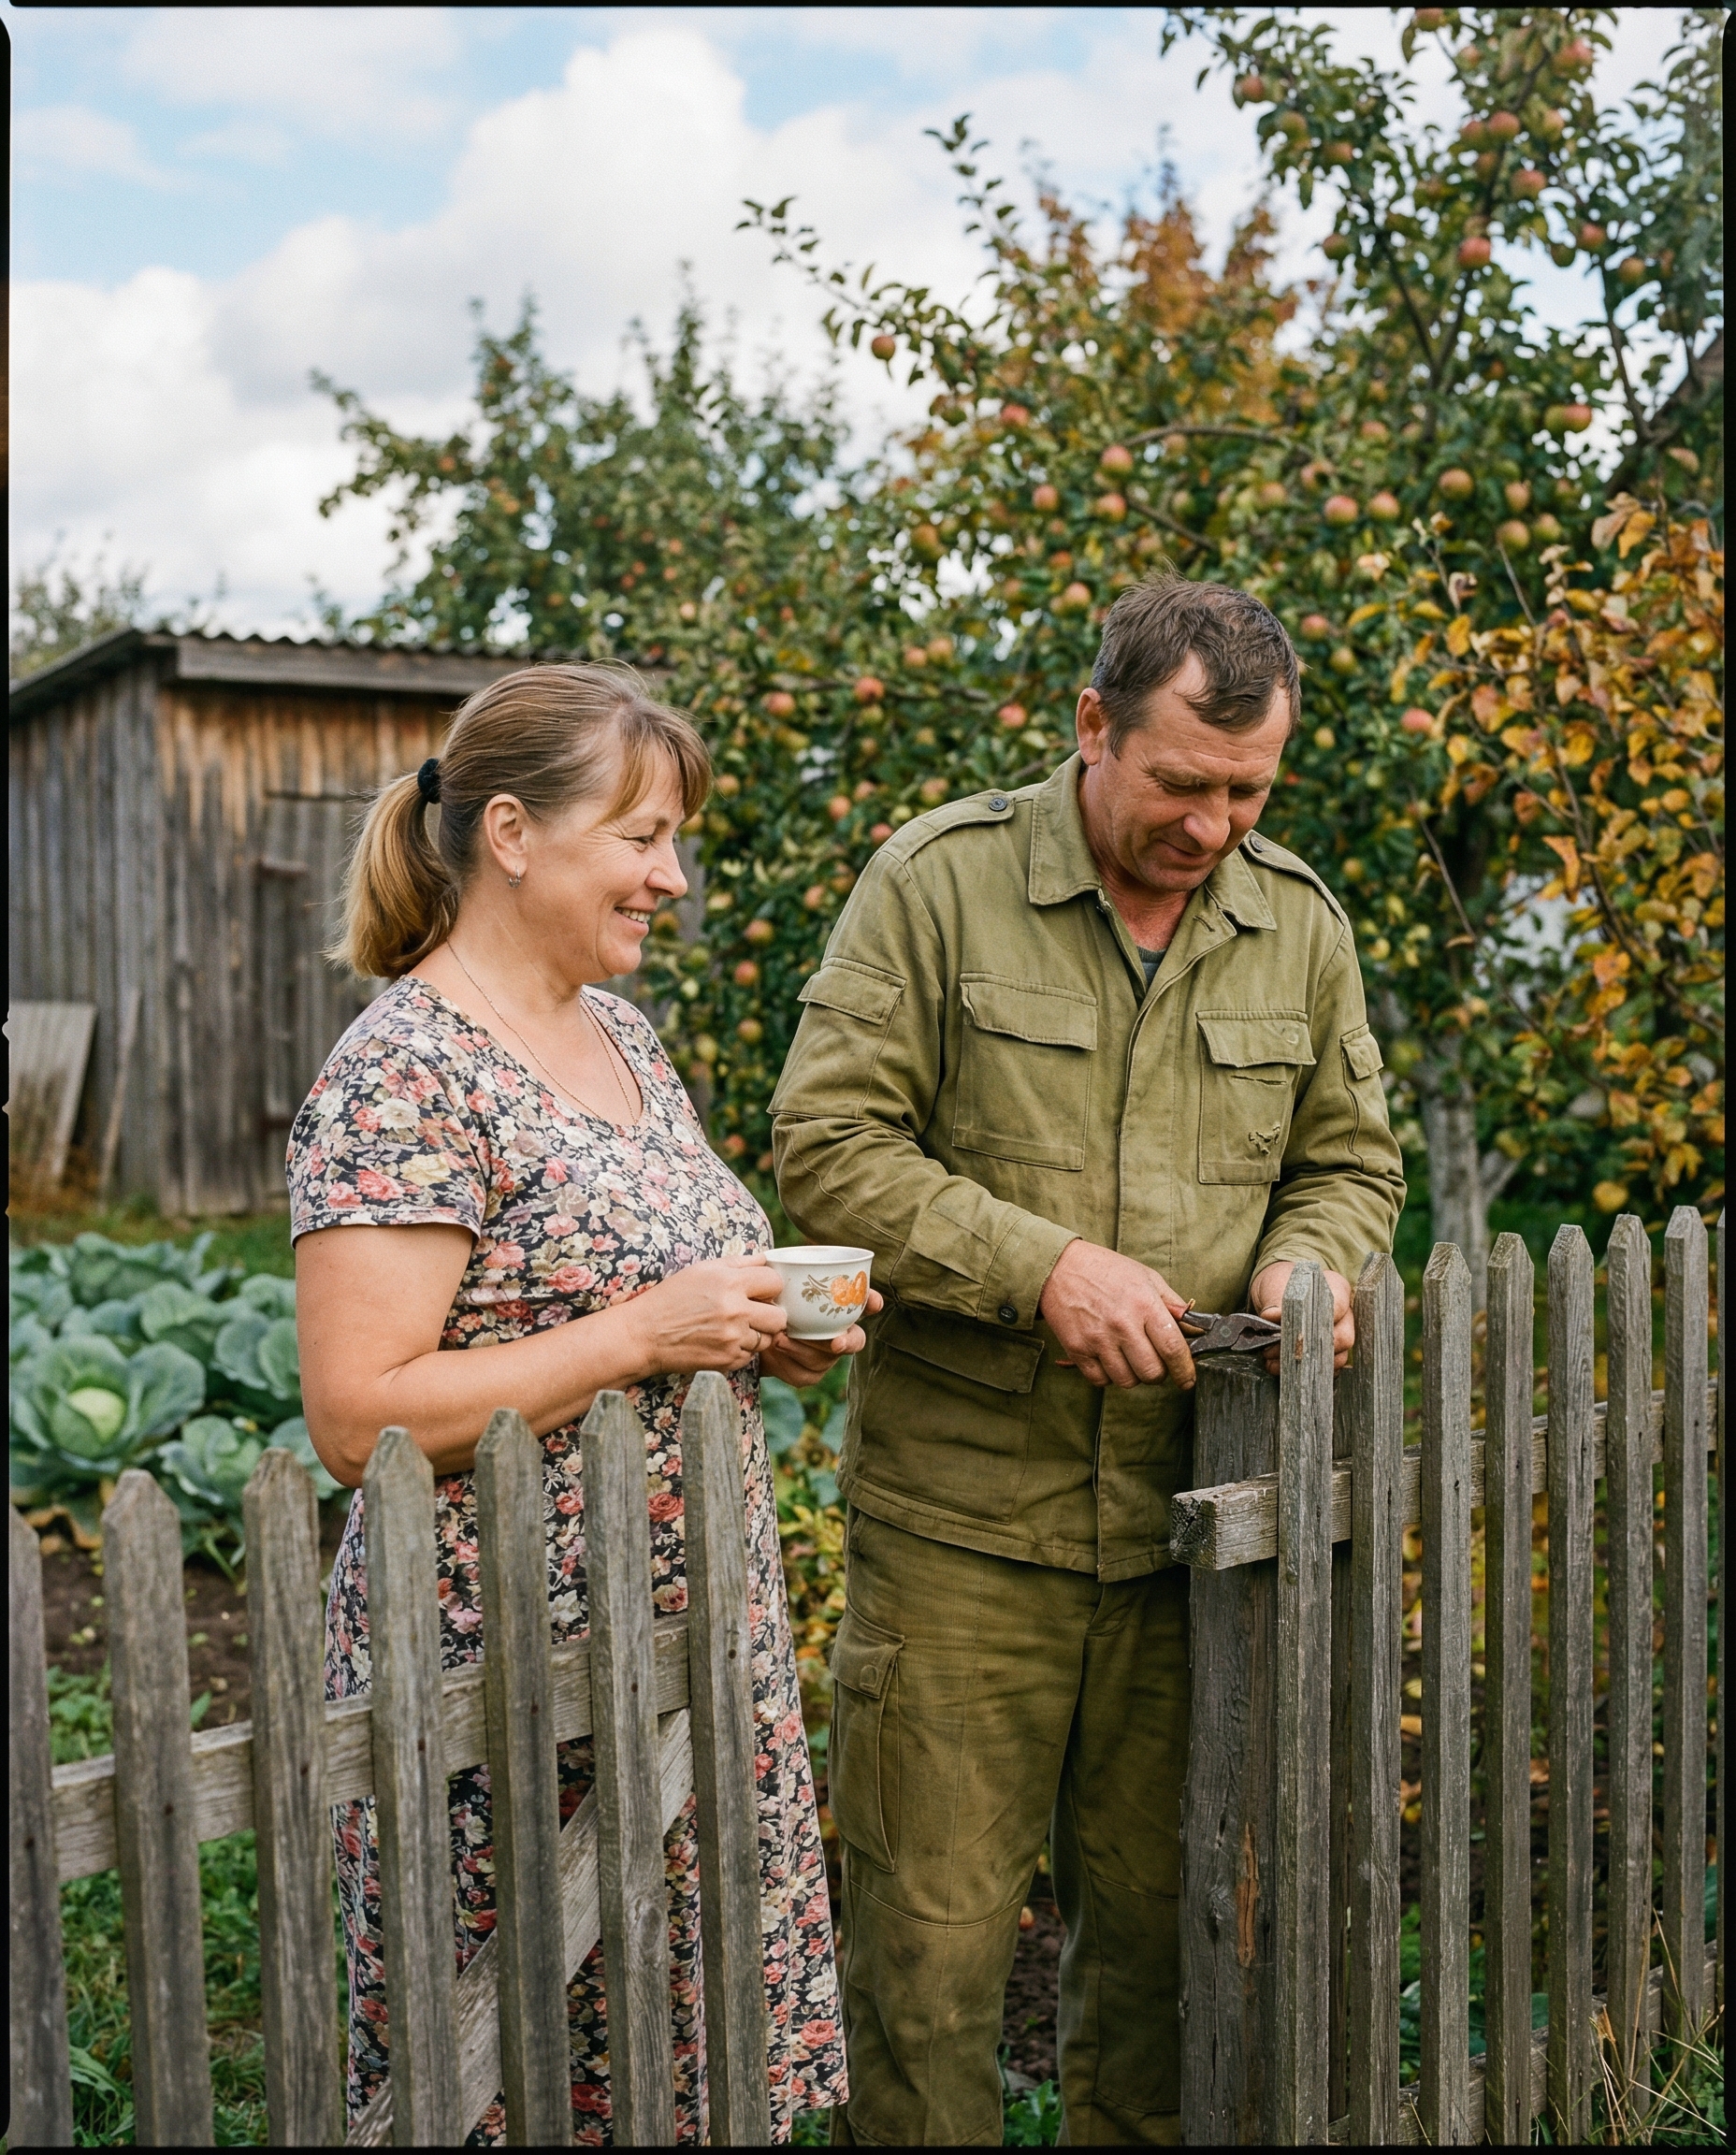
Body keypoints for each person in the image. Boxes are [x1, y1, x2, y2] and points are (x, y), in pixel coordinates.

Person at [770, 576, 1405, 2146]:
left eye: (1250, 792)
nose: (1214, 827)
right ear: (1091, 729)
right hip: (963, 1534)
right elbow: (825, 1146)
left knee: (1171, 1953)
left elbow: (1352, 1161)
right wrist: (1037, 1266)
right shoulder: (935, 886)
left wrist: (1313, 1255)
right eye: (1183, 783)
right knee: (926, 1966)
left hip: (1204, 1531)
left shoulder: (1300, 924)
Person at [289, 661, 860, 2145]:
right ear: (512, 833)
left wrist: (741, 1331)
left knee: (687, 2066)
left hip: (681, 1652)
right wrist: (642, 1332)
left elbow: (647, 1301)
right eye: (640, 835)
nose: (671, 877)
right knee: (520, 2076)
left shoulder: (626, 1042)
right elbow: (360, 1419)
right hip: (516, 1687)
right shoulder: (403, 1075)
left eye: (675, 840)